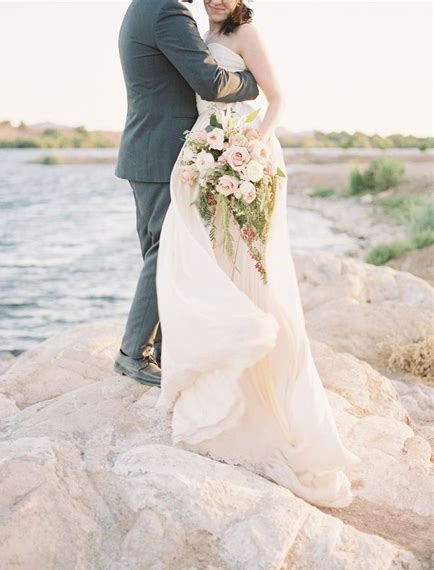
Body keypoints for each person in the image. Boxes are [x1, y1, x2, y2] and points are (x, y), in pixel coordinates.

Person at [153, 0, 362, 508]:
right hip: (201, 152)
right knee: (195, 256)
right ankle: (218, 372)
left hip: (241, 152)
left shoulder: (246, 32)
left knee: (248, 265)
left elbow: (277, 98)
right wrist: (214, 151)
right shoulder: (197, 31)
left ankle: (261, 387)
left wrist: (248, 148)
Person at [113, 0, 261, 387]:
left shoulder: (142, 6)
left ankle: (164, 349)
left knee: (159, 251)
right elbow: (211, 82)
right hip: (161, 153)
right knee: (167, 251)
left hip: (145, 150)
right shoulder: (168, 11)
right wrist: (249, 81)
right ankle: (133, 354)